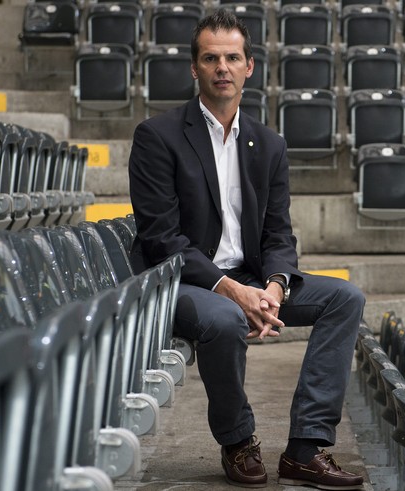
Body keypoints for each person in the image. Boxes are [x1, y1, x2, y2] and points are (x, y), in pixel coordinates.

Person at [127, 9, 366, 490]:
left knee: (346, 299)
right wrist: (234, 290)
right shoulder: (158, 137)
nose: (222, 67)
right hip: (185, 282)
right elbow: (162, 240)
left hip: (251, 277)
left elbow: (279, 234)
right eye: (211, 58)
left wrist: (275, 287)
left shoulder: (269, 144)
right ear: (194, 68)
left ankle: (305, 448)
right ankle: (238, 441)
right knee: (224, 317)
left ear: (248, 66)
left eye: (232, 57)